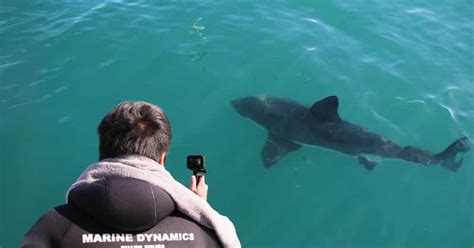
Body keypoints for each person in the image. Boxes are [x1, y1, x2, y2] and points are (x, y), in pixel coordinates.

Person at [21, 101, 241, 248]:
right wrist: (197, 209)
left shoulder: (55, 227)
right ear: (162, 159)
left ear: (103, 153)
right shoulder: (203, 235)